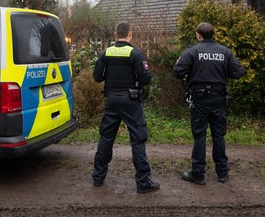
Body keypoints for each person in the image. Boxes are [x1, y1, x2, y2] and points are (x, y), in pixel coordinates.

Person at [91, 21, 159, 194]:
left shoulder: (106, 52)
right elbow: (145, 79)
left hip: (112, 100)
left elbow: (97, 77)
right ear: (130, 34)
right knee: (137, 139)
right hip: (131, 101)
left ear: (115, 34)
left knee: (106, 138)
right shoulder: (135, 53)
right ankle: (143, 182)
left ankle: (98, 177)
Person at [174, 22, 245, 185]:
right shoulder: (225, 52)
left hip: (199, 100)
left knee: (199, 135)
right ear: (213, 34)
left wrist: (180, 63)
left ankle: (198, 174)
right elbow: (239, 72)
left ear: (198, 35)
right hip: (218, 100)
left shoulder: (192, 51)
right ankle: (222, 172)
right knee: (218, 135)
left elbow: (178, 73)